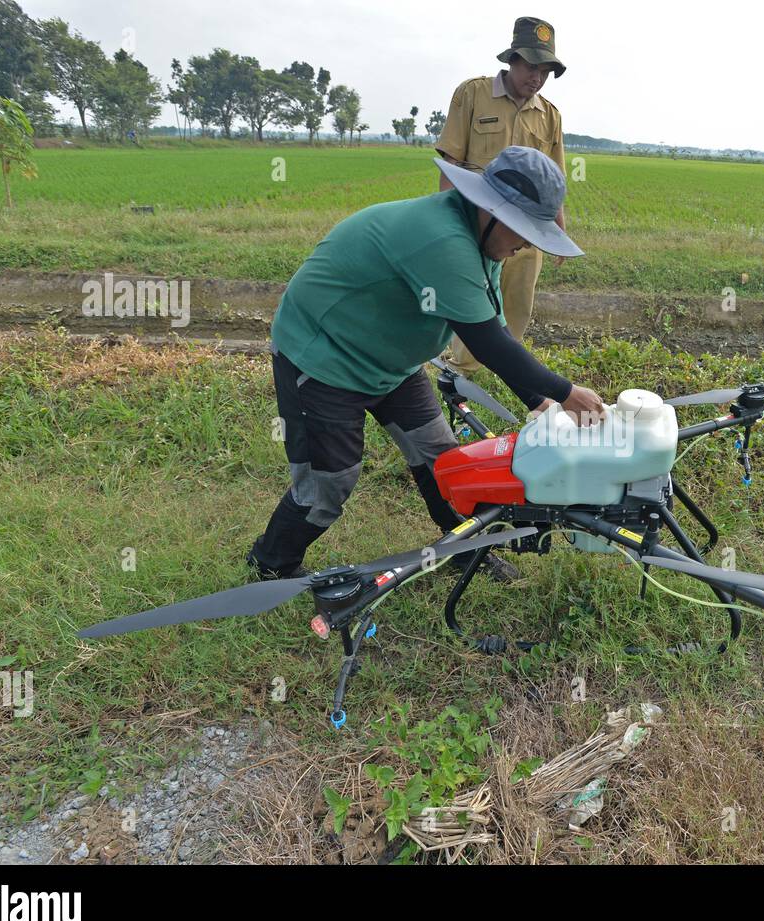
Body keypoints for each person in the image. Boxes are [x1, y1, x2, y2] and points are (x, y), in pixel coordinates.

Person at [247, 146, 605, 583]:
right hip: (324, 358)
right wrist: (567, 394)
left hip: (391, 364)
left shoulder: (484, 243)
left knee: (446, 461)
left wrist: (537, 399)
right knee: (330, 482)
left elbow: (489, 325)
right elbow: (487, 343)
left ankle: (462, 548)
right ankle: (271, 563)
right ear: (490, 210)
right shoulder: (444, 239)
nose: (526, 244)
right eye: (523, 230)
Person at [434, 16, 567, 376]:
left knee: (518, 302)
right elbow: (452, 162)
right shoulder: (473, 94)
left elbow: (555, 179)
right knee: (472, 299)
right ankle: (461, 371)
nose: (536, 77)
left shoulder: (550, 116)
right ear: (511, 60)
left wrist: (559, 233)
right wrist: (448, 221)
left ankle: (508, 365)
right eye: (530, 66)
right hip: (479, 223)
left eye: (545, 70)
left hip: (527, 232)